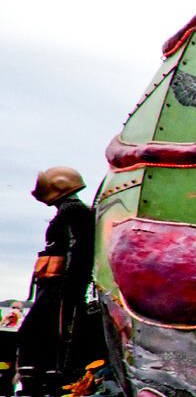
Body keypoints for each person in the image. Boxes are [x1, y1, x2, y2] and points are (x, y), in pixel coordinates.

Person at [18, 167, 101, 394]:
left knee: (39, 333)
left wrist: (70, 285)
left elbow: (78, 251)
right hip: (56, 286)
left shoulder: (73, 211)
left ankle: (46, 380)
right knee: (38, 333)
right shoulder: (71, 210)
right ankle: (43, 377)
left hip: (59, 288)